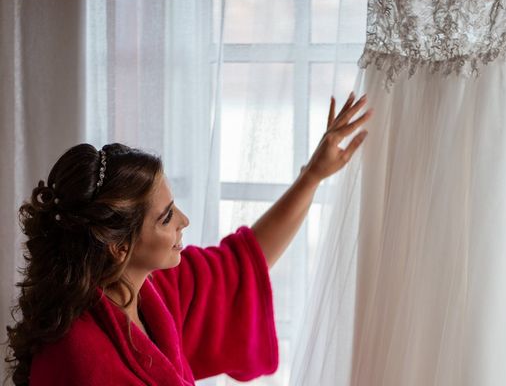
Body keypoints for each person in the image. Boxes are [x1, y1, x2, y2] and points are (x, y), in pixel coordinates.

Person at [3, 92, 372, 386]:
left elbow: (243, 263)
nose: (184, 221)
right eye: (166, 217)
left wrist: (312, 176)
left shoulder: (157, 288)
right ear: (119, 246)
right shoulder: (75, 359)